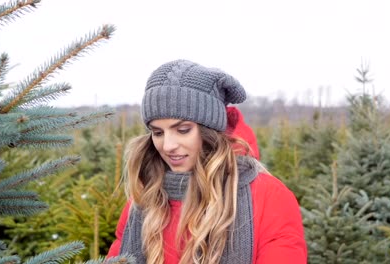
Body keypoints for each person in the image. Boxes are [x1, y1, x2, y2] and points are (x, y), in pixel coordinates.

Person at [107, 60, 307, 264]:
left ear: (209, 131)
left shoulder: (269, 197)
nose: (167, 146)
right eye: (158, 132)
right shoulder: (144, 197)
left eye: (183, 130)